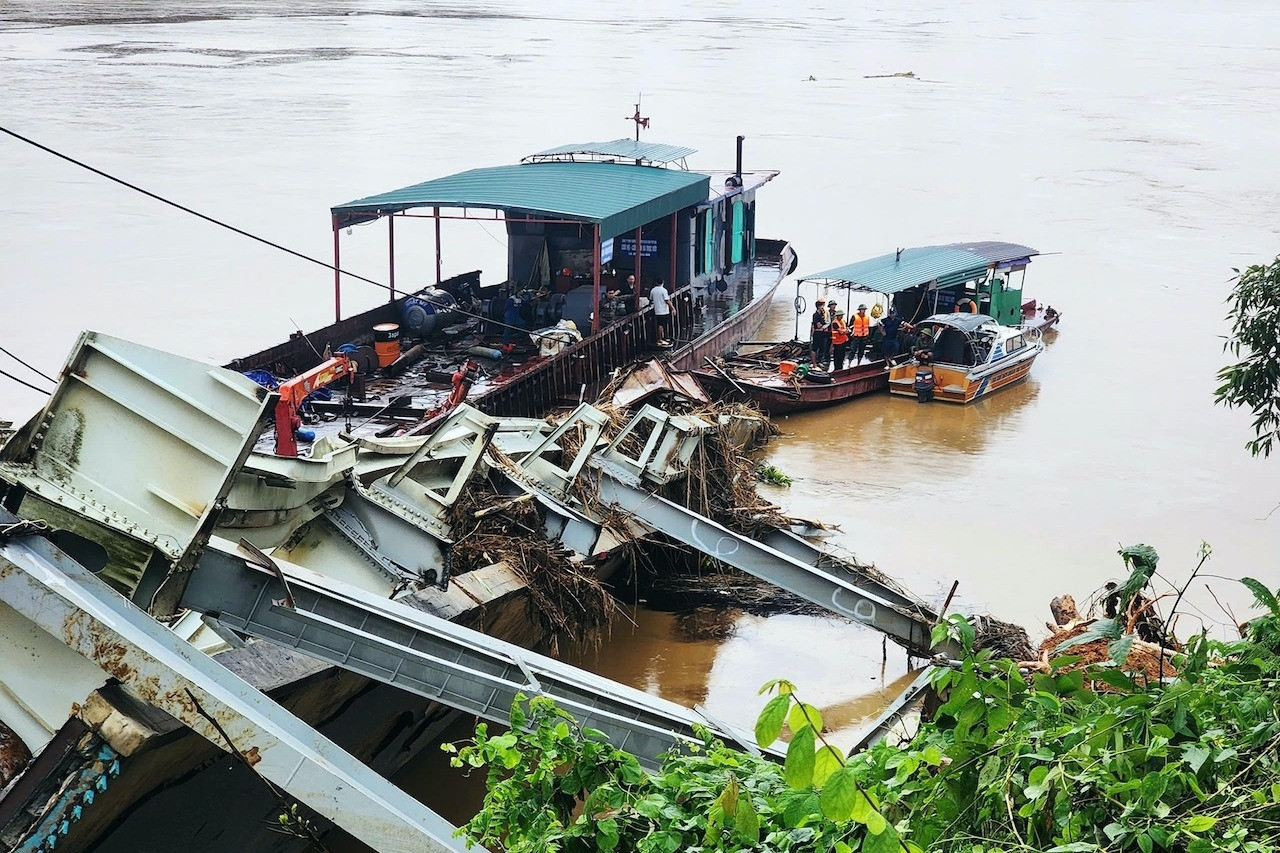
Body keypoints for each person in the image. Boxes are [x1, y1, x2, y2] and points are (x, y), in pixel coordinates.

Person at [650, 277, 671, 346]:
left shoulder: (653, 290)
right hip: (663, 310)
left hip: (657, 310)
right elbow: (667, 300)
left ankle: (662, 338)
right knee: (661, 325)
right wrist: (673, 308)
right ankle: (660, 339)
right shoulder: (664, 290)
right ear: (663, 282)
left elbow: (651, 299)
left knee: (659, 324)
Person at [809, 298, 830, 366]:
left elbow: (825, 323)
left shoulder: (822, 315)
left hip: (822, 333)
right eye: (822, 306)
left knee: (822, 347)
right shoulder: (815, 315)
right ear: (819, 306)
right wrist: (823, 326)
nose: (823, 307)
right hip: (817, 333)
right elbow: (818, 326)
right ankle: (814, 363)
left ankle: (819, 361)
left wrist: (823, 326)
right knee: (815, 348)